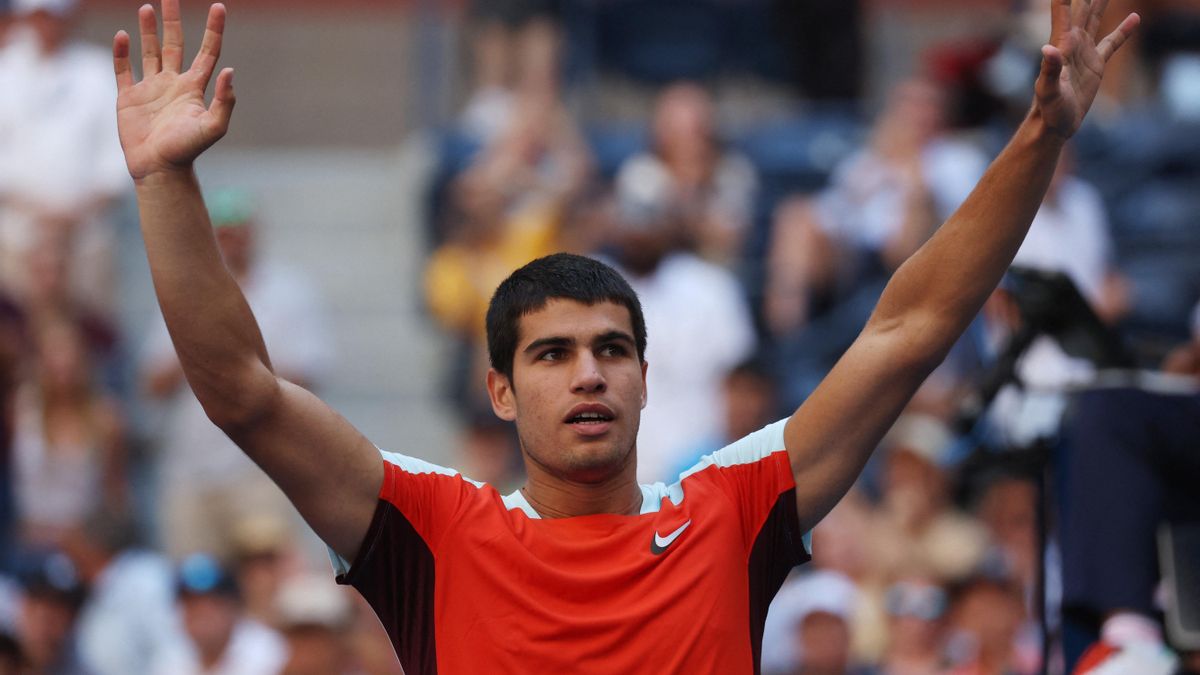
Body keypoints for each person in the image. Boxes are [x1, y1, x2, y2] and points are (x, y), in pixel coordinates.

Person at [110, 1, 1139, 672]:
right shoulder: (434, 527)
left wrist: (1042, 138)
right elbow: (240, 388)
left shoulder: (733, 506)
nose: (588, 374)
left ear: (646, 378)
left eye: (611, 350)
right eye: (551, 355)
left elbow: (909, 329)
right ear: (501, 391)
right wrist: (166, 177)